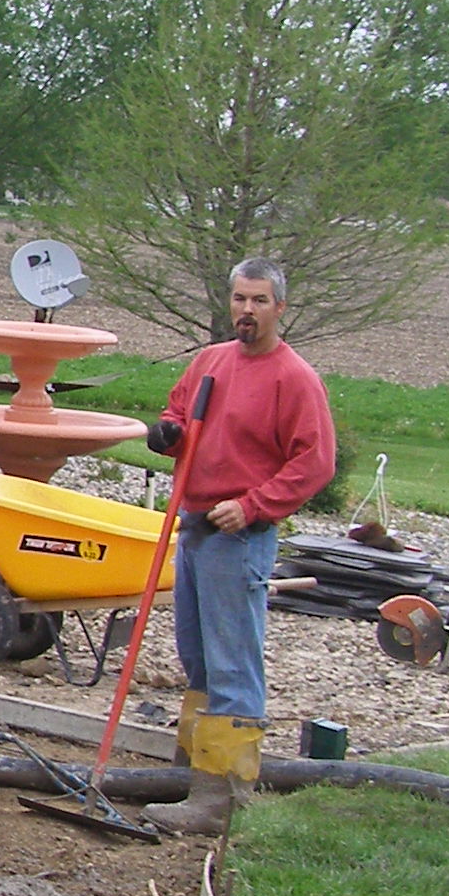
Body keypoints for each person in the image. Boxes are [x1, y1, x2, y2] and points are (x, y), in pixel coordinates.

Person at [142, 258, 337, 835]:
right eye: (238, 299)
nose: (245, 311)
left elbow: (314, 462)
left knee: (232, 660)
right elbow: (176, 411)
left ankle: (222, 795)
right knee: (196, 655)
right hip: (196, 524)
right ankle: (194, 769)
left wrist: (253, 505)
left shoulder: (294, 378)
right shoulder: (210, 362)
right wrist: (167, 431)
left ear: (280, 307)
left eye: (258, 301)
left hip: (240, 535)